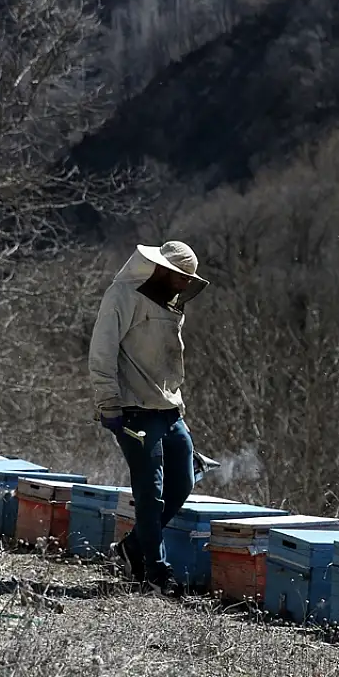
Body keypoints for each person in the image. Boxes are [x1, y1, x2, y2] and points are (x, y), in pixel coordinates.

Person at [88, 241, 209, 593]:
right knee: (149, 493)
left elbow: (168, 367)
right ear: (161, 270)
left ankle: (132, 548)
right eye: (181, 277)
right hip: (133, 410)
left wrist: (179, 408)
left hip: (169, 411)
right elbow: (102, 350)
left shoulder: (168, 305)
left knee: (184, 480)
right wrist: (108, 400)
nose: (185, 284)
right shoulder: (122, 296)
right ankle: (155, 571)